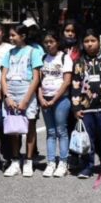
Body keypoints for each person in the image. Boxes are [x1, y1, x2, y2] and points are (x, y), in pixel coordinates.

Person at [0, 24, 43, 178]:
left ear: (23, 36)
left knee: (30, 126)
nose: (10, 38)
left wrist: (26, 99)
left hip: (27, 92)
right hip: (11, 92)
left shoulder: (33, 52)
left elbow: (36, 77)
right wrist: (7, 97)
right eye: (10, 35)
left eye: (13, 35)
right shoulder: (9, 53)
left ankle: (29, 161)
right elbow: (3, 77)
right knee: (14, 128)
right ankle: (15, 160)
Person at [71, 28, 101, 179]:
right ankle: (87, 166)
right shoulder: (79, 62)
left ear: (99, 41)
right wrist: (76, 108)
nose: (89, 44)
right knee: (87, 139)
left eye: (93, 41)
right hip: (86, 107)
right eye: (86, 41)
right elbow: (75, 85)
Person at [38, 31, 73, 178]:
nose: (48, 44)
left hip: (60, 99)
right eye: (46, 42)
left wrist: (54, 99)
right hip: (45, 99)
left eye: (51, 41)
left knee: (61, 131)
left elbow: (67, 81)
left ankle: (63, 162)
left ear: (57, 42)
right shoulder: (43, 58)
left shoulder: (65, 58)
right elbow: (38, 81)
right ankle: (51, 161)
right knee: (50, 132)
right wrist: (41, 98)